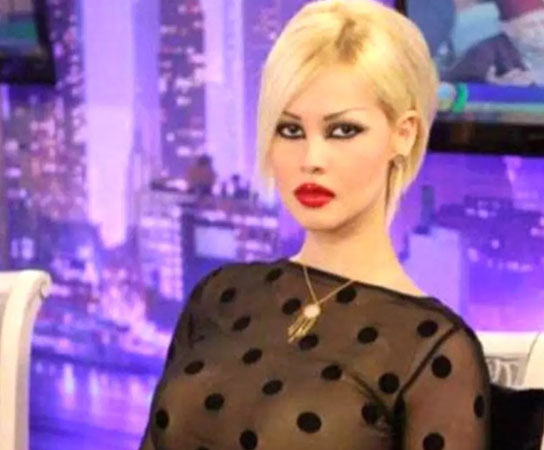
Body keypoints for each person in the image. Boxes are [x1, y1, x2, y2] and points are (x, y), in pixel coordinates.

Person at [138, 1, 491, 449]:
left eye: (342, 131)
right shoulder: (219, 294)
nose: (311, 159)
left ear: (403, 134)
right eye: (290, 130)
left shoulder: (435, 350)